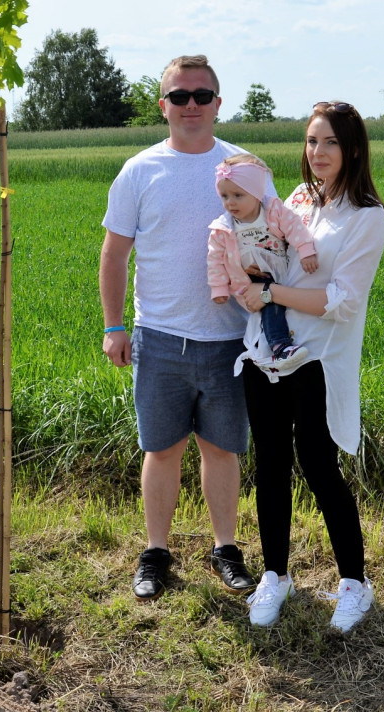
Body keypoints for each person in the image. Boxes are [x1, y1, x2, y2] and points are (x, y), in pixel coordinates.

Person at [99, 55, 272, 601]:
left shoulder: (245, 169)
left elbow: (278, 239)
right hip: (158, 338)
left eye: (201, 96)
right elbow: (114, 254)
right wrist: (114, 325)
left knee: (222, 449)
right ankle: (156, 552)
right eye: (179, 96)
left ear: (218, 103)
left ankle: (226, 549)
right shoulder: (139, 171)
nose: (190, 105)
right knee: (162, 449)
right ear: (163, 106)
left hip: (230, 340)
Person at [237, 101, 384, 633]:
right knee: (270, 465)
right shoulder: (298, 200)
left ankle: (354, 583)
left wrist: (271, 292)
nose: (317, 152)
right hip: (266, 353)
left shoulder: (366, 216)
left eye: (329, 142)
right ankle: (275, 575)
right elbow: (272, 253)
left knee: (319, 466)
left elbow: (343, 301)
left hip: (317, 359)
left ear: (353, 150)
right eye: (310, 141)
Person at [207, 153, 317, 373]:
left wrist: (306, 250)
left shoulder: (272, 211)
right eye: (224, 196)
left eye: (238, 195)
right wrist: (218, 287)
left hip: (281, 269)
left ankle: (279, 346)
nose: (230, 202)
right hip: (252, 278)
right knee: (270, 304)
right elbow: (215, 260)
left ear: (257, 193)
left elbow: (294, 227)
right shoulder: (222, 228)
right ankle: (280, 347)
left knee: (285, 308)